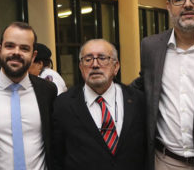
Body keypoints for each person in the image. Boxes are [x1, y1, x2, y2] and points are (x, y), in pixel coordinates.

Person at [0, 22, 57, 170]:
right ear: (0, 50)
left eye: (24, 48)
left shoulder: (48, 91)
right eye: (10, 46)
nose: (16, 52)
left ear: (33, 56)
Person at [131, 0, 194, 169]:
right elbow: (142, 86)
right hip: (166, 161)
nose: (188, 4)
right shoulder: (151, 47)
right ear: (169, 6)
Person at [53, 39, 146, 170]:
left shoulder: (138, 101)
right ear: (80, 67)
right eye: (88, 59)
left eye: (102, 58)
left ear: (116, 66)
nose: (95, 64)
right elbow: (57, 157)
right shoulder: (63, 104)